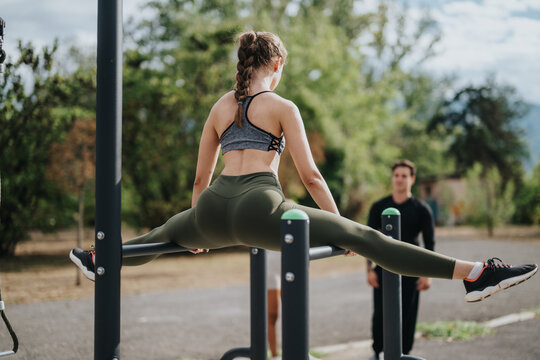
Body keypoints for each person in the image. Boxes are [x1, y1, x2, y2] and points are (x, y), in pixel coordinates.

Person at [70, 31, 537, 308]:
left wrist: (202, 229)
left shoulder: (217, 107)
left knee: (159, 235)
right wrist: (344, 227)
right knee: (368, 238)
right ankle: (476, 274)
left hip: (211, 209)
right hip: (260, 204)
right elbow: (311, 177)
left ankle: (97, 259)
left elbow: (199, 181)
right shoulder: (281, 105)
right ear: (274, 65)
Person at [366, 160, 434, 360]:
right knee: (380, 313)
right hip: (383, 268)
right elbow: (368, 240)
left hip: (411, 270)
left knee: (408, 314)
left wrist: (427, 274)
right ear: (392, 178)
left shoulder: (422, 209)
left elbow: (429, 244)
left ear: (412, 179)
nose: (399, 179)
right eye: (396, 175)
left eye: (404, 176)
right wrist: (369, 269)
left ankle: (404, 354)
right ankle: (377, 352)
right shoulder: (379, 207)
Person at [266, 250, 281, 360]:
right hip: (270, 263)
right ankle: (274, 355)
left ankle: (301, 352)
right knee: (272, 315)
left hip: (293, 258)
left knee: (295, 311)